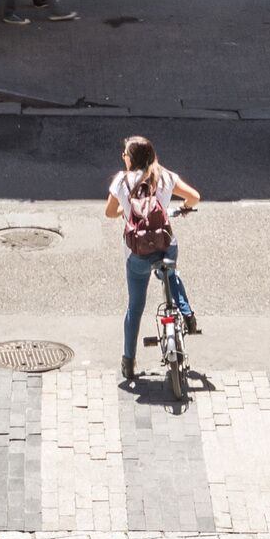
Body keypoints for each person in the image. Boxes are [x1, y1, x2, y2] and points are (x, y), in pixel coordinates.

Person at [107, 134, 200, 388]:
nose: (123, 158)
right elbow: (194, 197)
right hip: (165, 245)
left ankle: (129, 361)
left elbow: (109, 212)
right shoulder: (165, 177)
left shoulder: (121, 181)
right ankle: (187, 312)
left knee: (135, 307)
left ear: (131, 158)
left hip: (136, 253)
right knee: (170, 273)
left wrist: (125, 211)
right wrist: (181, 210)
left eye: (125, 154)